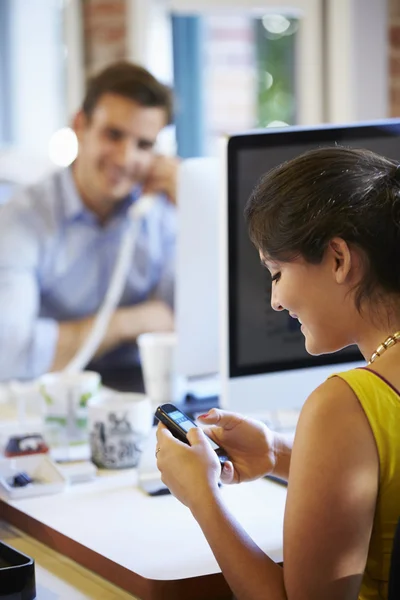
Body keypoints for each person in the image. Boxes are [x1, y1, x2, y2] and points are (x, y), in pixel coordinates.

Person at [156, 146, 400, 600]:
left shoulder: (346, 405)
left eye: (276, 272)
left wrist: (202, 498)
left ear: (339, 259)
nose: (275, 301)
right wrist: (276, 452)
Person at [0, 61, 179, 381]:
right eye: (113, 135)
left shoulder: (162, 211)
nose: (126, 159)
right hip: (51, 395)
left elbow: (193, 324)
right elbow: (9, 354)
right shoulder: (20, 220)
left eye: (144, 145)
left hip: (143, 389)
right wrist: (126, 324)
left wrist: (190, 206)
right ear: (80, 125)